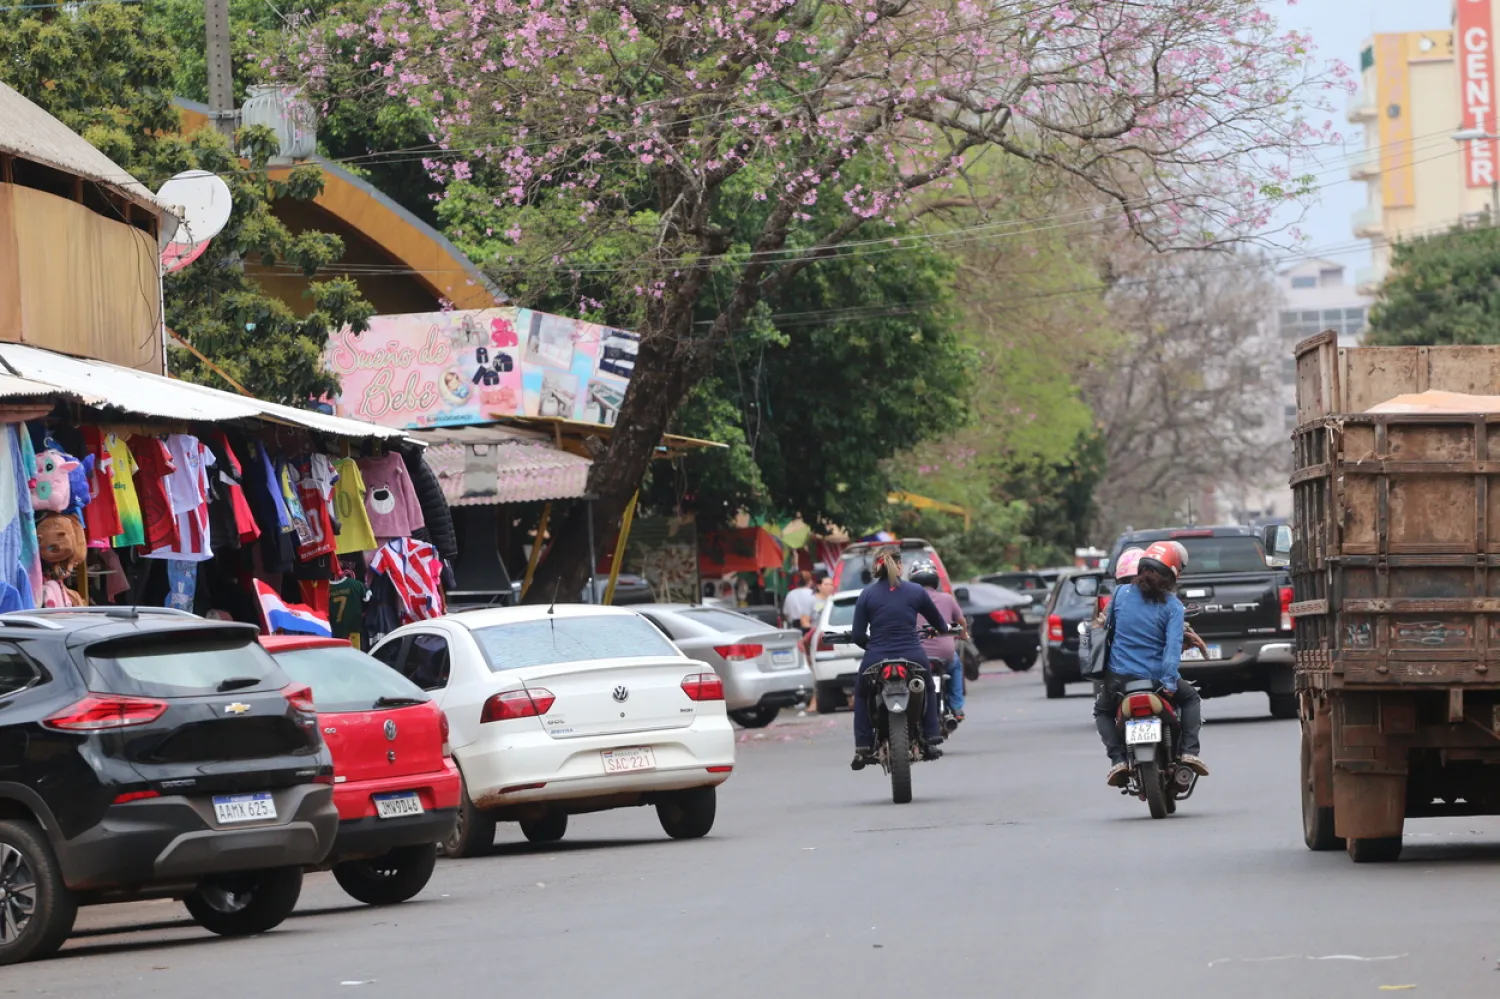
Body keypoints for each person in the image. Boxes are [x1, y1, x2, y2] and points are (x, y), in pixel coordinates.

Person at [1094, 541, 1209, 787]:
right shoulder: (1173, 607)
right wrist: (1168, 683)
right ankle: (1189, 752)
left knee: (1102, 711)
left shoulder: (1120, 594)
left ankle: (1118, 760)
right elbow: (1170, 651)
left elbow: (1107, 629)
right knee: (1190, 699)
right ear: (1172, 576)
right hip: (1156, 680)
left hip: (1119, 681)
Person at [849, 547, 950, 769]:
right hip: (913, 654)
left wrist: (873, 646)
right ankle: (932, 736)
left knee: (862, 693)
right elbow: (940, 624)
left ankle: (863, 745)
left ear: (876, 566)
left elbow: (857, 635)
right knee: (928, 687)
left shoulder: (867, 595)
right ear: (900, 565)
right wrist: (943, 629)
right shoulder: (916, 591)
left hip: (876, 656)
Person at [909, 559, 967, 723]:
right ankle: (956, 707)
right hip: (944, 655)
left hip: (914, 656)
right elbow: (961, 622)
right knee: (956, 666)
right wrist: (963, 634)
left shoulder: (908, 600)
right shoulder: (947, 599)